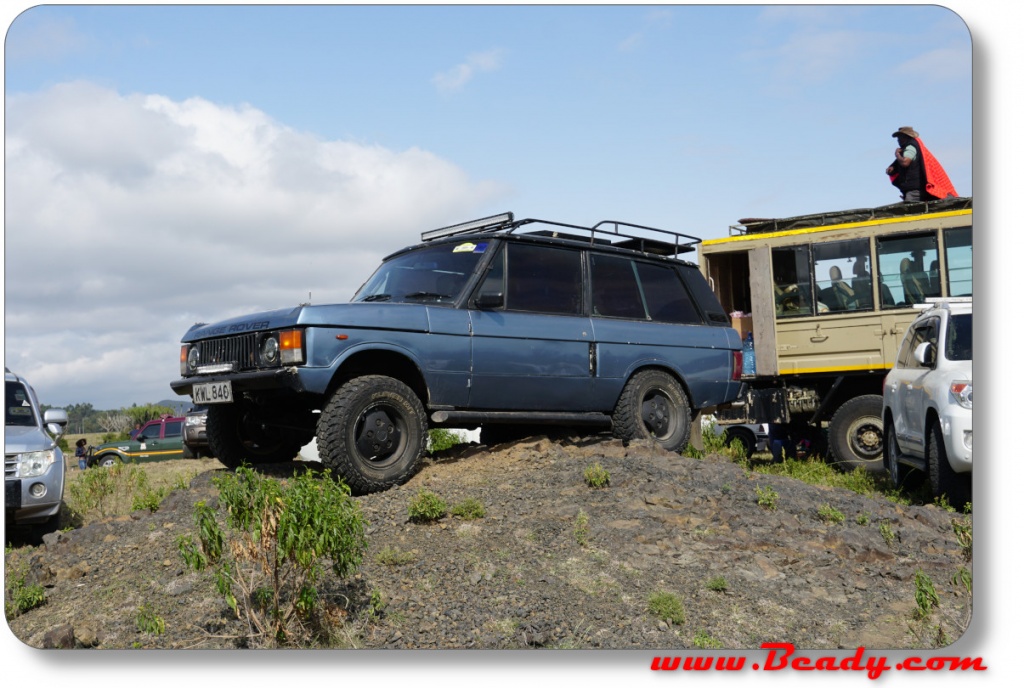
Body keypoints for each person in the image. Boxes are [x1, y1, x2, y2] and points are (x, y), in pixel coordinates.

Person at [886, 126, 958, 202]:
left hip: (915, 190)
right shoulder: (910, 148)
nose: (898, 140)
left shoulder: (910, 147)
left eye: (899, 137)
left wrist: (897, 154)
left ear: (905, 137)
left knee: (910, 210)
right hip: (919, 188)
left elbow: (905, 162)